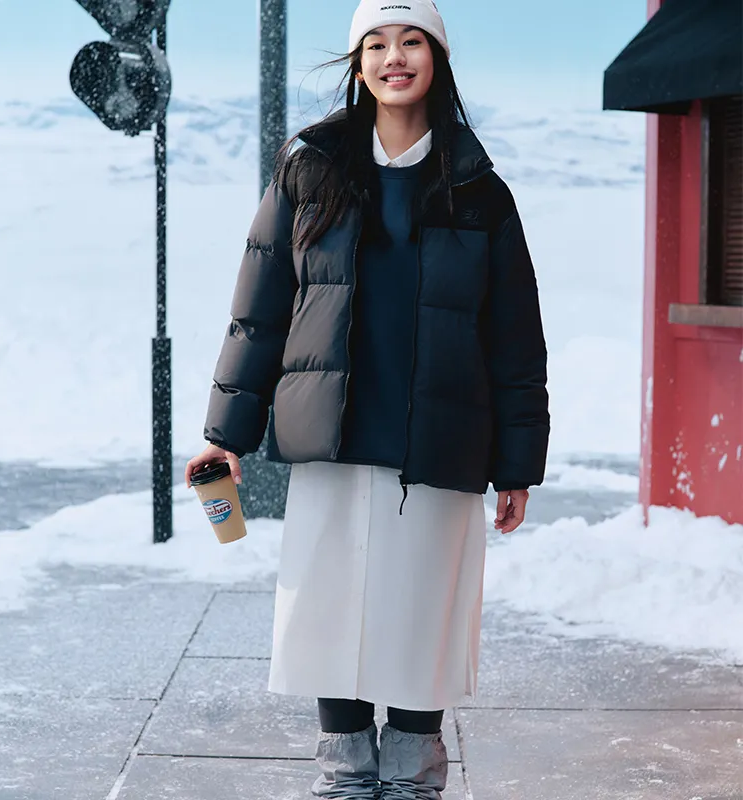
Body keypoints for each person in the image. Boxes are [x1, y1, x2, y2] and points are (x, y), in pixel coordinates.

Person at [185, 0, 550, 796]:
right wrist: (226, 433)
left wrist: (519, 462)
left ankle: (414, 776)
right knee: (331, 611)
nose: (395, 57)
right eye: (377, 44)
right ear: (358, 65)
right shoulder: (309, 172)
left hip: (441, 442)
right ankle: (345, 775)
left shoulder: (480, 192)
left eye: (412, 41)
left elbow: (515, 338)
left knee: (422, 618)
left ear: (436, 60)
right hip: (333, 436)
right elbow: (260, 311)